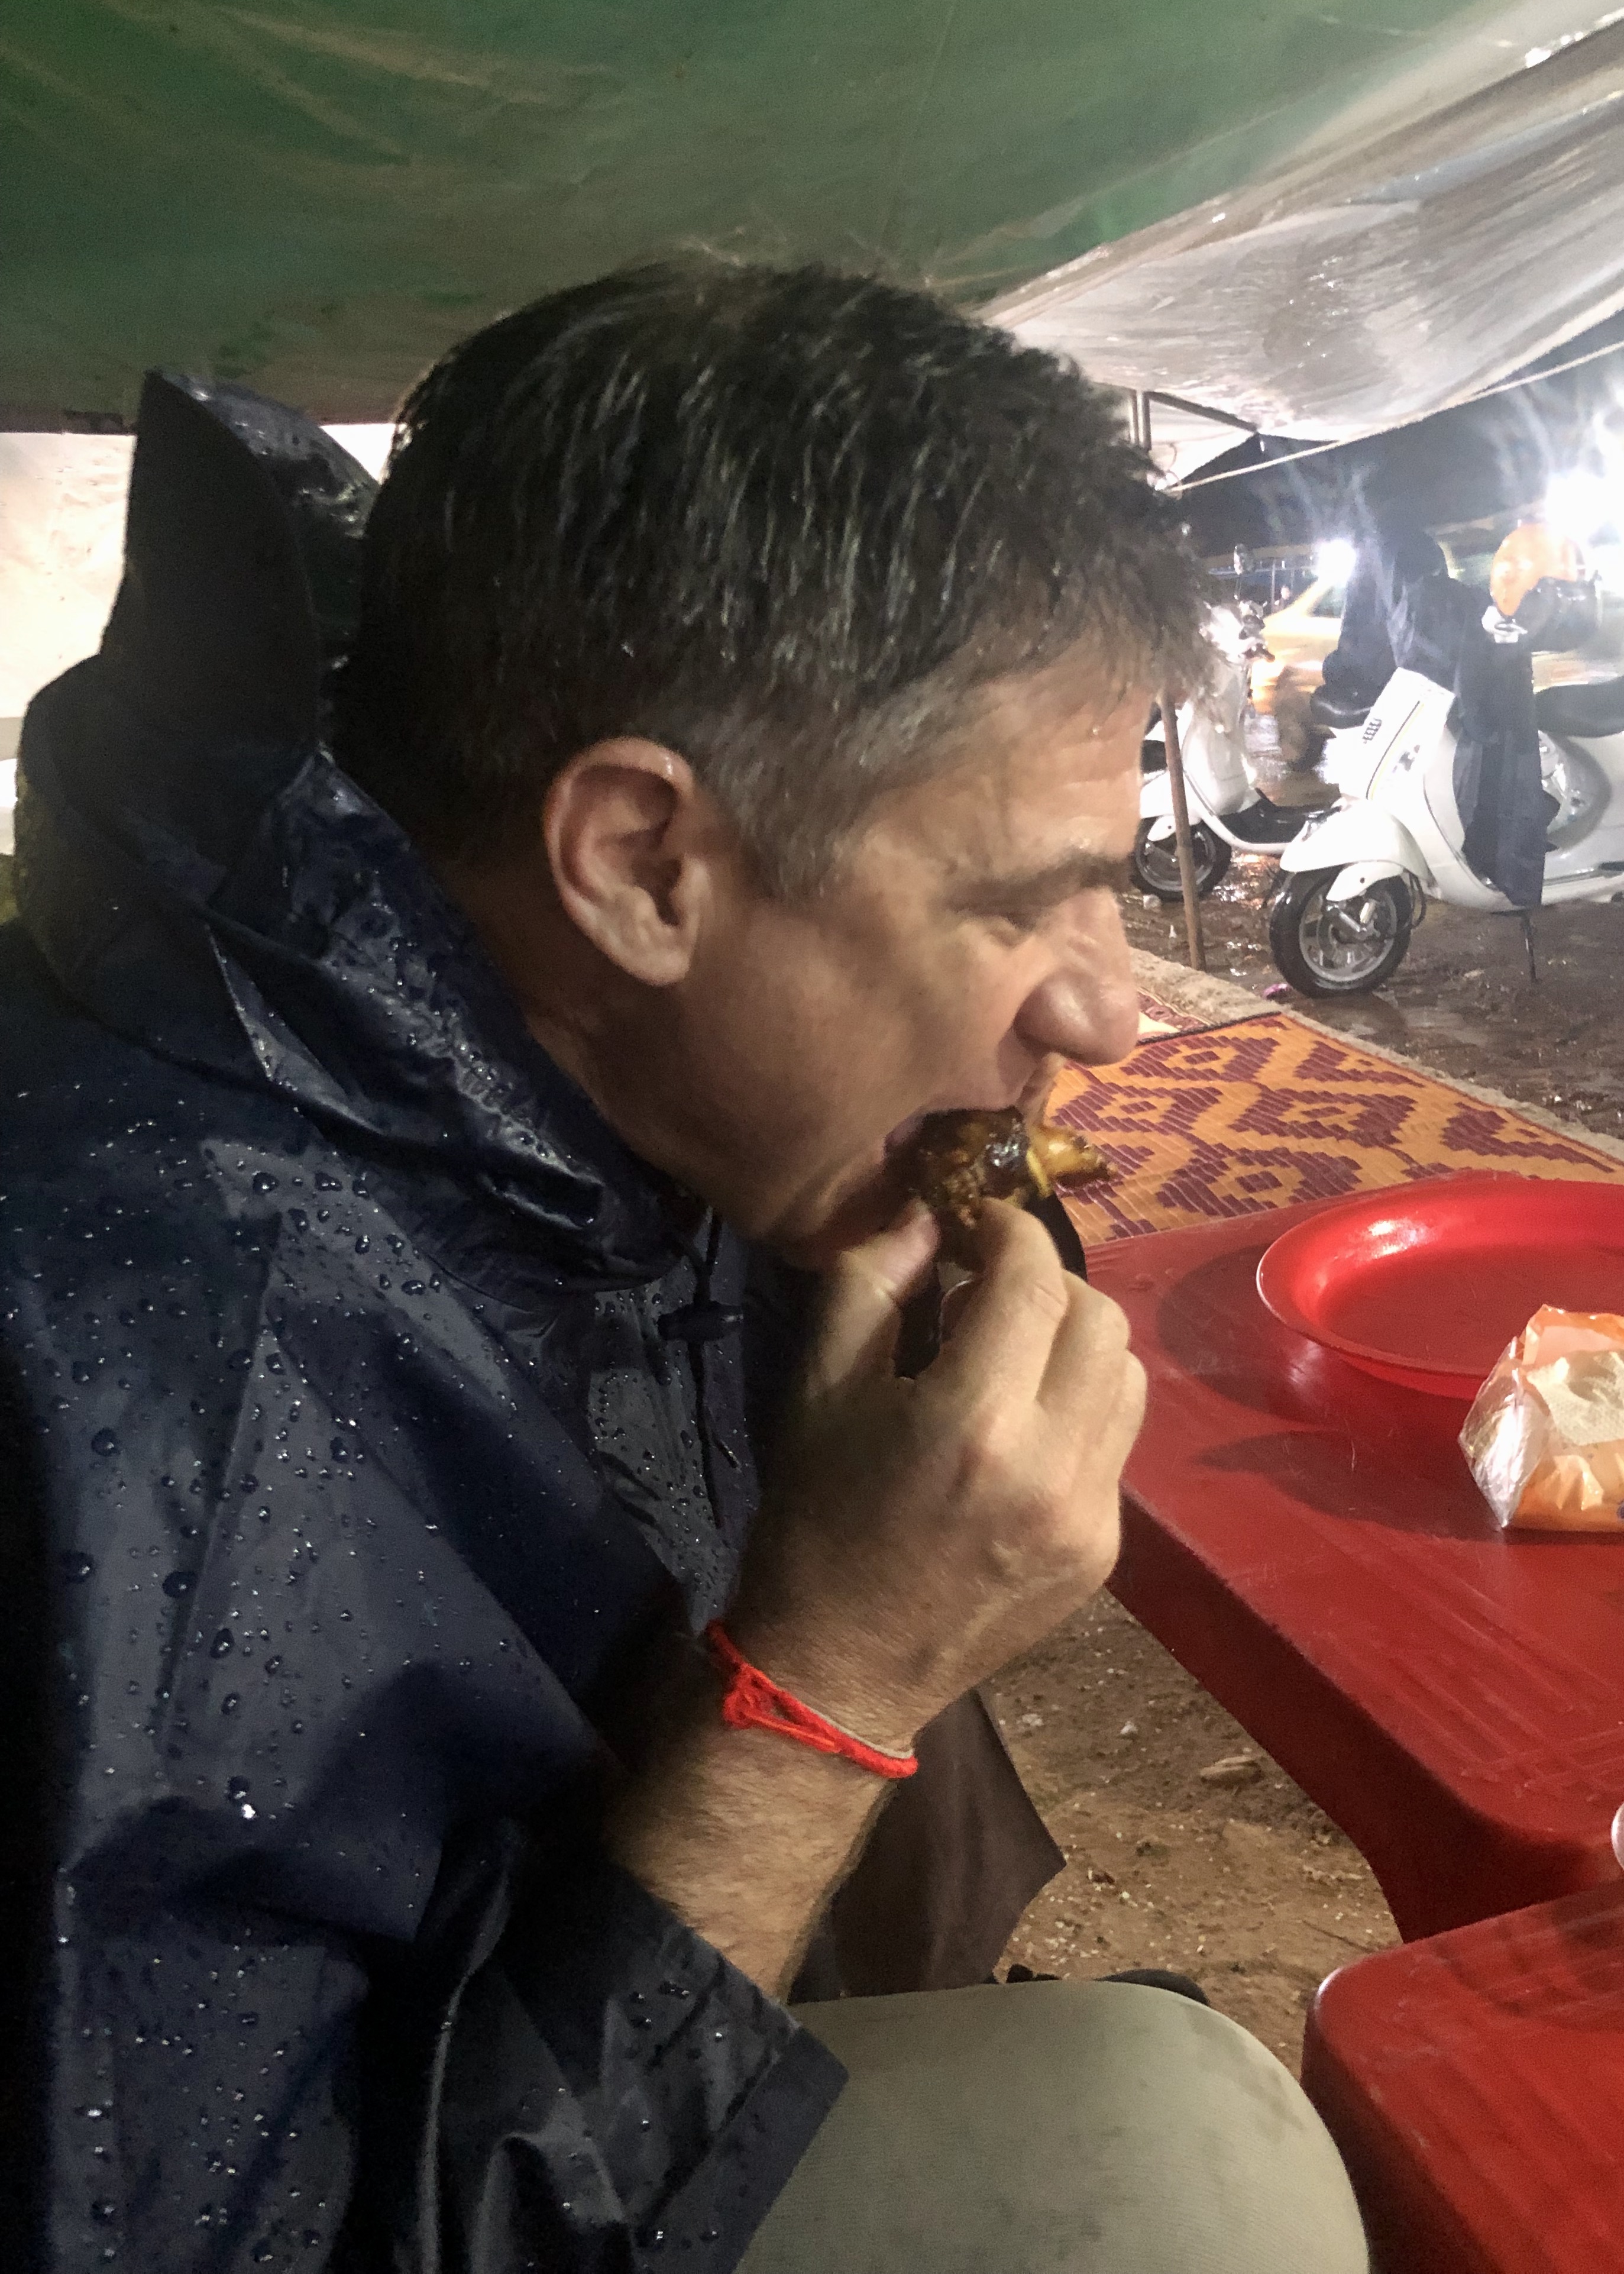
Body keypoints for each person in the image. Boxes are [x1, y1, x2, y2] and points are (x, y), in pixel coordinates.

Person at [1, 261, 1370, 2273]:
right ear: (641, 860)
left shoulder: (518, 976)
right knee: (1183, 2162)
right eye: (1026, 904)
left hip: (567, 1986)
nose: (1113, 1013)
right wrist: (824, 1686)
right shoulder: (168, 1400)